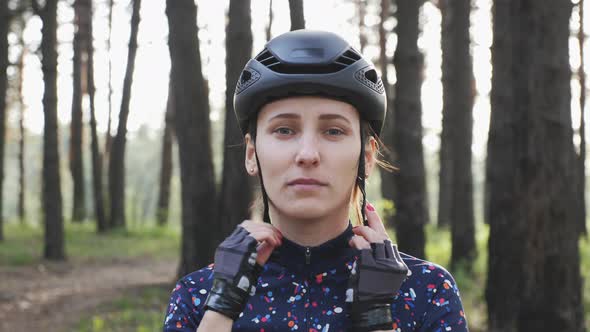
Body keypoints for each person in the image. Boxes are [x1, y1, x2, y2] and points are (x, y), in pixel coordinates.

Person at [163, 30, 468, 332]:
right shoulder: (197, 295)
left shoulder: (426, 291)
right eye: (284, 130)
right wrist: (223, 303)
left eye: (333, 131)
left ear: (367, 157)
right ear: (252, 154)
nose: (307, 154)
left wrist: (376, 316)